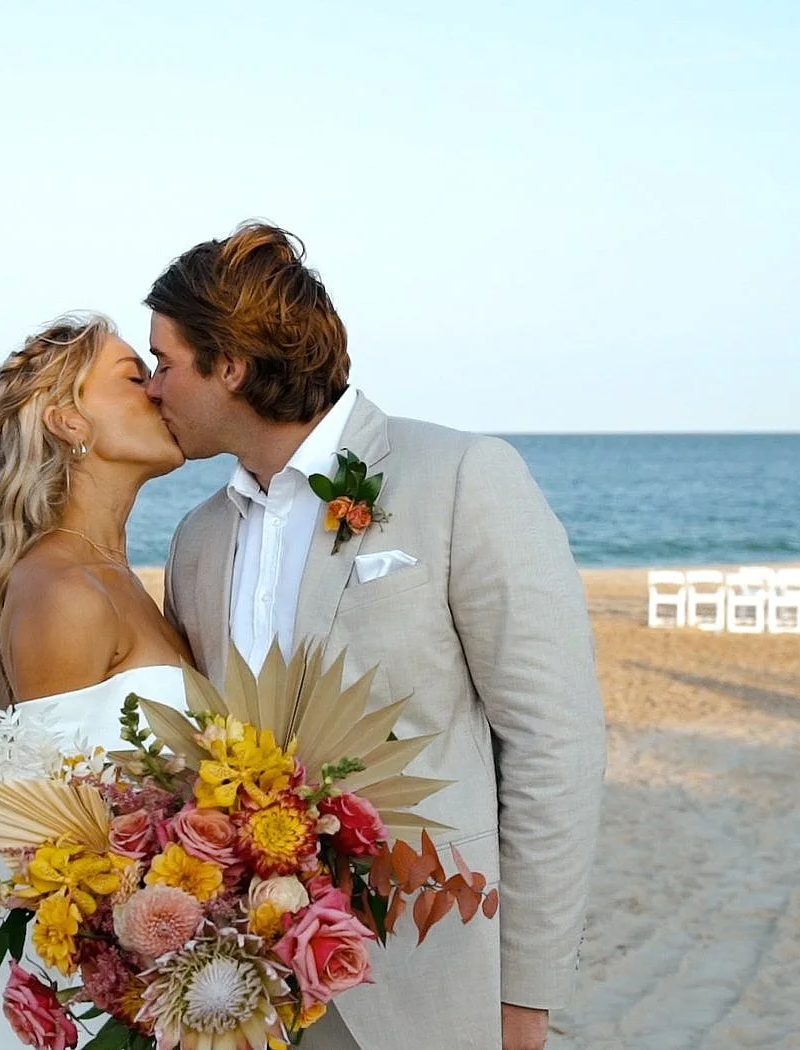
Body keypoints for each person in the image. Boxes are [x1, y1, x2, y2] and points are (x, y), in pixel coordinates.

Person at [147, 222, 607, 1050]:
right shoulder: (195, 539)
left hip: (430, 973)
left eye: (165, 362)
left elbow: (553, 739)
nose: (152, 389)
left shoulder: (460, 476)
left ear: (232, 367)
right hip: (247, 984)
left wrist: (527, 993)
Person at [0, 313, 193, 1050]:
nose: (160, 391)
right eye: (135, 375)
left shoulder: (114, 576)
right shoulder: (60, 591)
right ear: (67, 421)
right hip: (123, 997)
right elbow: (49, 856)